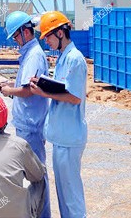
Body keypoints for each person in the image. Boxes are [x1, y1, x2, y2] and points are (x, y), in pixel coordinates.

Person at [29, 11, 87, 218]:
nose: (47, 42)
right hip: (62, 136)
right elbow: (62, 87)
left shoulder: (75, 59)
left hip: (69, 137)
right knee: (63, 194)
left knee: (71, 196)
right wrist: (44, 84)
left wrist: (43, 92)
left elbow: (75, 97)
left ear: (60, 33)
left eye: (48, 37)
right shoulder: (63, 58)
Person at [0, 11, 51, 217]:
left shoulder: (34, 55)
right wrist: (11, 84)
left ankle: (42, 215)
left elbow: (29, 90)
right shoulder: (30, 54)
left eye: (15, 36)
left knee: (37, 176)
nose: (15, 41)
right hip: (27, 125)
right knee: (32, 176)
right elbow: (25, 84)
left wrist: (8, 91)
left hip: (31, 126)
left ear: (24, 32)